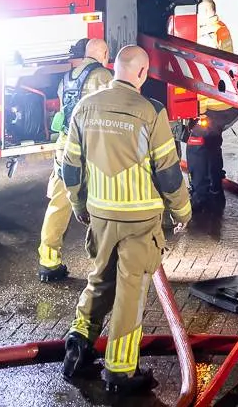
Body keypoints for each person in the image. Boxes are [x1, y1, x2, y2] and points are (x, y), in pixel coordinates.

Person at [59, 45, 191, 395]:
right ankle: (119, 369)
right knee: (130, 290)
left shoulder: (85, 108)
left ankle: (78, 342)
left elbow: (70, 167)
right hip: (140, 220)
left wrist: (78, 204)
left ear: (114, 68)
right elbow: (168, 173)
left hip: (100, 215)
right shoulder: (150, 112)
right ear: (142, 73)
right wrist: (182, 211)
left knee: (100, 279)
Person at [38, 36, 115, 282]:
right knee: (100, 203)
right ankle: (103, 264)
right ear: (103, 54)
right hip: (90, 148)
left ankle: (48, 262)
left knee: (59, 204)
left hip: (64, 147)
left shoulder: (66, 78)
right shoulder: (104, 77)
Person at [184, 0, 238, 210]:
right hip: (222, 104)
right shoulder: (220, 29)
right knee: (213, 146)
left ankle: (200, 195)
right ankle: (216, 189)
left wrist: (200, 109)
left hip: (210, 105)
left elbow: (202, 70)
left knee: (196, 146)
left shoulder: (208, 34)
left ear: (206, 12)